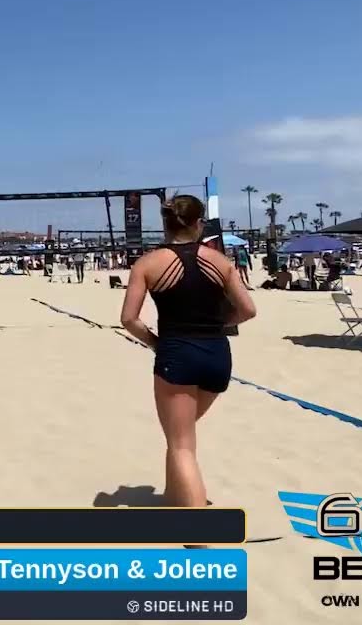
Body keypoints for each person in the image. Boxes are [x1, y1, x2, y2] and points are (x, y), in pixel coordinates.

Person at [119, 195, 256, 508]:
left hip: (177, 355)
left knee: (181, 445)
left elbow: (129, 319)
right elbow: (247, 310)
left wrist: (155, 342)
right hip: (217, 357)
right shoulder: (220, 261)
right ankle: (174, 498)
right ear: (199, 223)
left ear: (165, 224)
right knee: (179, 435)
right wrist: (220, 325)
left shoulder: (148, 263)